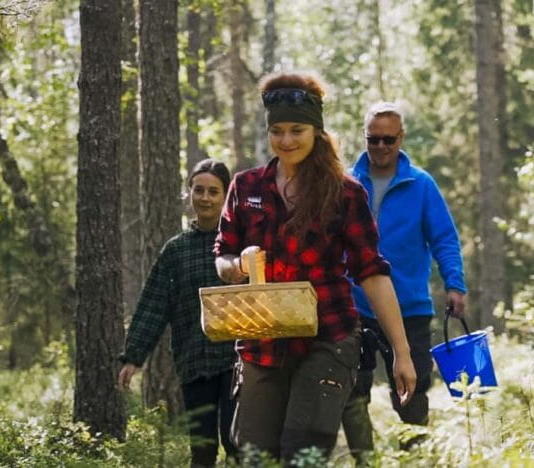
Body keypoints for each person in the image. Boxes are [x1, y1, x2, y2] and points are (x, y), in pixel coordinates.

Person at [213, 72, 418, 464]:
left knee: (303, 455)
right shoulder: (245, 187)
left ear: (316, 132)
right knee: (253, 456)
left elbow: (372, 274)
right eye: (277, 131)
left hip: (328, 337)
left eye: (297, 130)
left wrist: (402, 353)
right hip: (261, 342)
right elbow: (222, 256)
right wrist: (237, 264)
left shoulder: (345, 193)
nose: (286, 140)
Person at [341, 101, 467, 457]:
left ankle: (414, 460)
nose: (381, 147)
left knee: (412, 392)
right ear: (365, 137)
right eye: (374, 139)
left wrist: (455, 284)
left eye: (389, 140)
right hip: (355, 306)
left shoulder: (422, 185)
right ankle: (365, 462)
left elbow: (444, 239)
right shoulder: (347, 183)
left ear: (401, 137)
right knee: (353, 391)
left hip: (409, 306)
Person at [118, 159, 239, 468]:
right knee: (202, 448)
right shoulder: (176, 250)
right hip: (194, 361)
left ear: (226, 195)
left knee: (236, 443)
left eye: (213, 191)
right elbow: (154, 304)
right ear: (189, 193)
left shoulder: (239, 243)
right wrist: (133, 356)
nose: (205, 198)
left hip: (238, 361)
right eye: (199, 190)